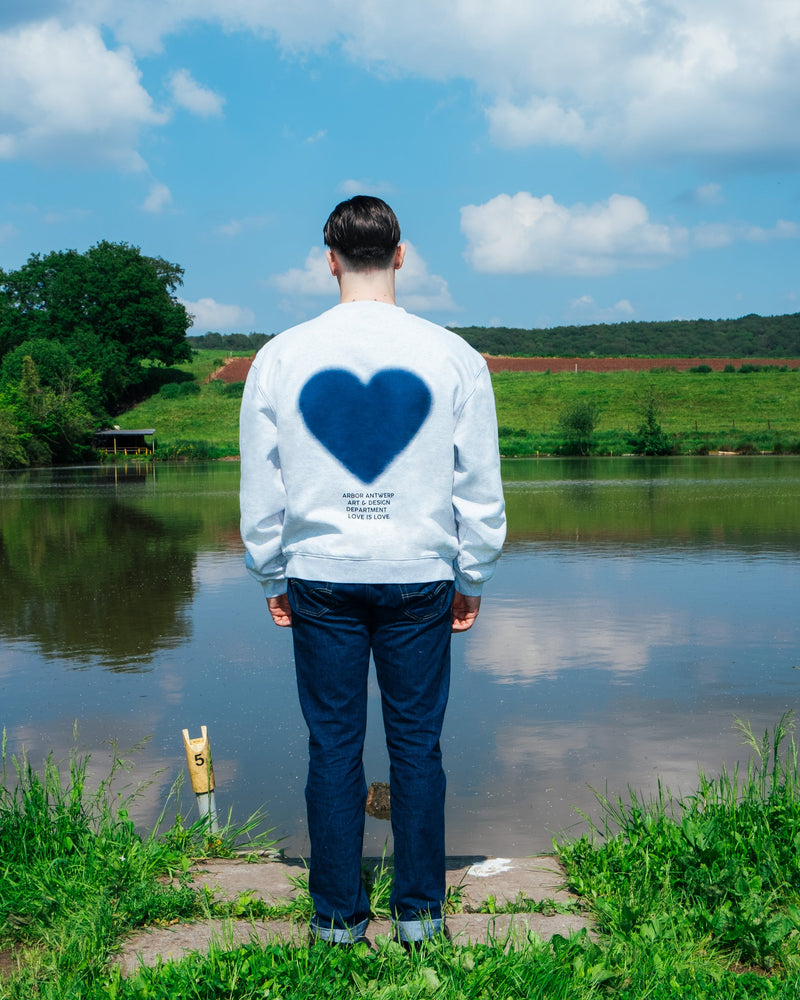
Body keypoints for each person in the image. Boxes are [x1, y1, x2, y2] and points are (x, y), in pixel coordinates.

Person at [239, 196, 505, 946]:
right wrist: (473, 572)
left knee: (333, 745)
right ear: (400, 254)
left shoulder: (281, 355)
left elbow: (264, 483)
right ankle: (420, 917)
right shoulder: (454, 354)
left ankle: (335, 921)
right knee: (417, 744)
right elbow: (477, 481)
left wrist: (271, 572)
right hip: (420, 573)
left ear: (329, 260)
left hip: (320, 573)